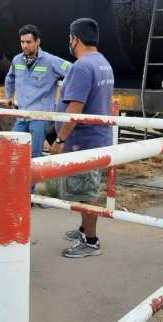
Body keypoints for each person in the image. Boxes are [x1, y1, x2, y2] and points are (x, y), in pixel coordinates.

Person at [50, 18, 115, 258]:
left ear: (75, 38)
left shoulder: (81, 66)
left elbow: (75, 110)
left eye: (70, 38)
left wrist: (59, 140)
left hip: (83, 140)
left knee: (84, 193)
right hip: (98, 137)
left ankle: (91, 241)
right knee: (85, 188)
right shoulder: (103, 62)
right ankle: (83, 229)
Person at [5, 24, 71, 192]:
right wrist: (8, 97)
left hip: (39, 117)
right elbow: (10, 79)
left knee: (34, 156)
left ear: (38, 42)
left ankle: (29, 194)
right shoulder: (17, 60)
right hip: (22, 115)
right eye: (22, 42)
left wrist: (66, 97)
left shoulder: (50, 61)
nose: (25, 46)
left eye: (28, 42)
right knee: (12, 151)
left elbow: (73, 71)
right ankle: (15, 189)